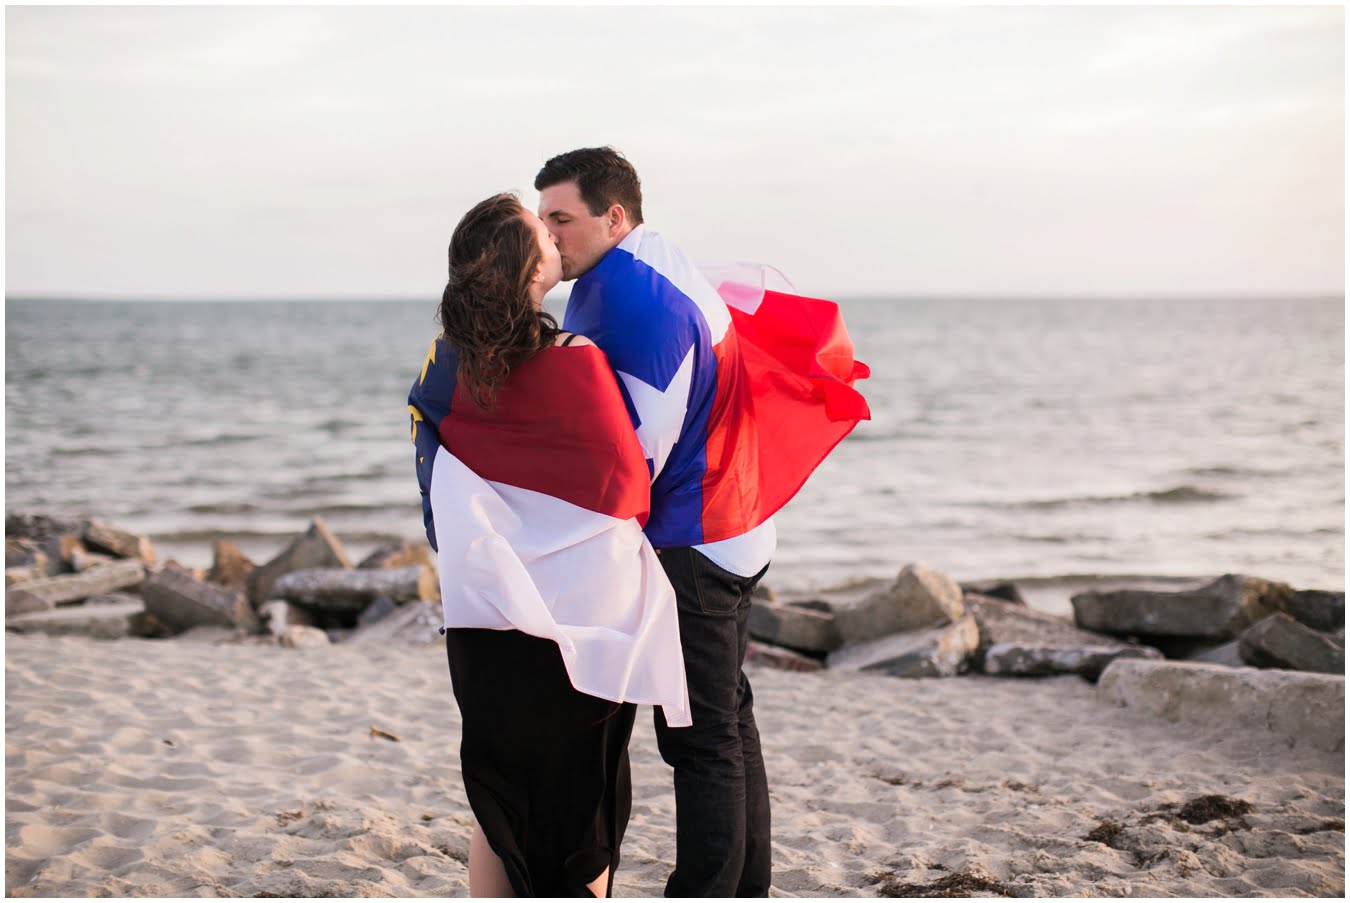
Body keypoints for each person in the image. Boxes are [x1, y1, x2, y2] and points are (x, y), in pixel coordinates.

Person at [407, 192, 691, 898]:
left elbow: (437, 483)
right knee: (582, 802)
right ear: (528, 269)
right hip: (578, 627)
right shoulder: (577, 360)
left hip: (485, 619)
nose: (554, 236)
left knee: (499, 799)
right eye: (542, 231)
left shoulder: (443, 367)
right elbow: (627, 489)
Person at [535, 147, 781, 897]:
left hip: (694, 540)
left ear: (614, 216)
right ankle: (747, 888)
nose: (549, 239)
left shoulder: (630, 300)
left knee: (698, 737)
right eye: (542, 220)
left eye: (562, 220)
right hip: (736, 521)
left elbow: (629, 459)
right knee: (727, 720)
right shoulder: (653, 263)